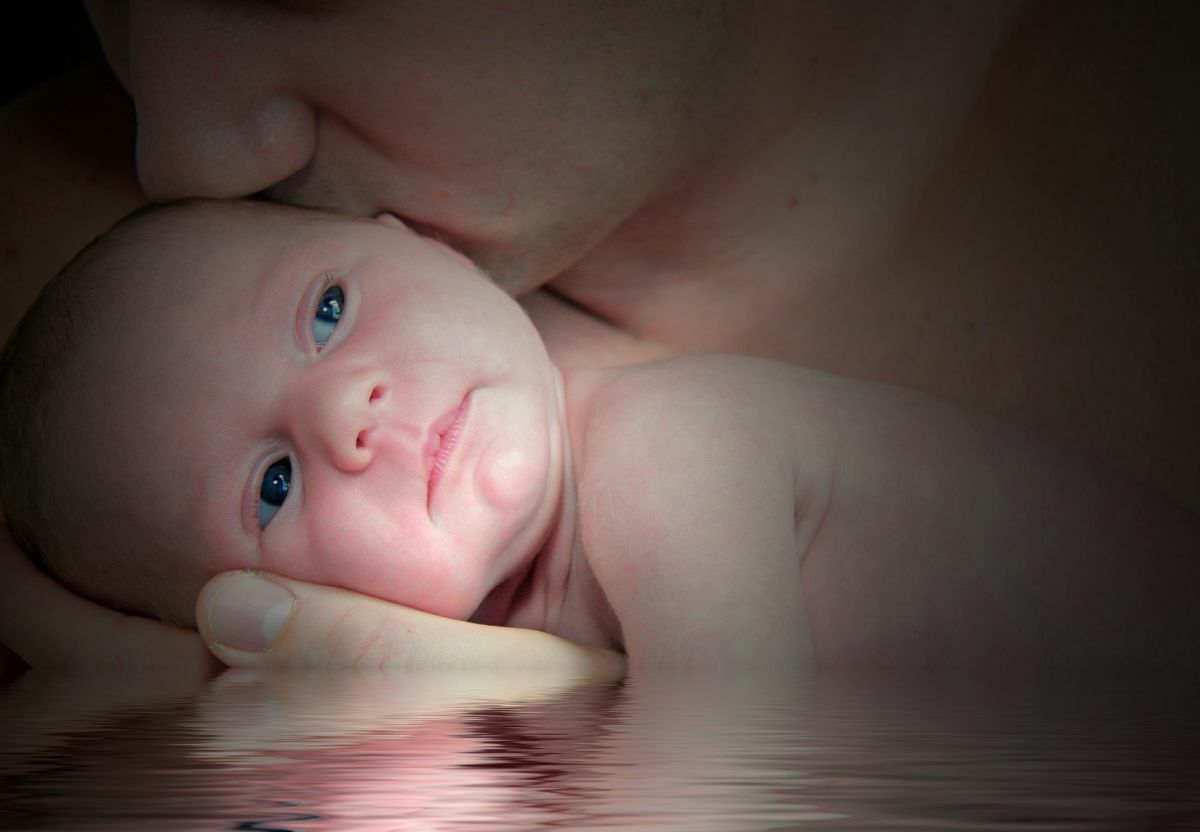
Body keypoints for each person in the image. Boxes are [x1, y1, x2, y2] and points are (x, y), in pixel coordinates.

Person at [2, 1, 1198, 673]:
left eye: (329, 311)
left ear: (407, 245)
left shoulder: (664, 445)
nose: (178, 151)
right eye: (272, 488)